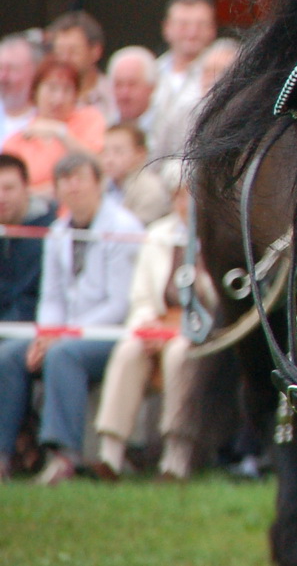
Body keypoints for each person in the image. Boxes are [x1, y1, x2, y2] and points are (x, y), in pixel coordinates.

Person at [0, 153, 142, 483]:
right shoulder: (57, 233)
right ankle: (4, 455)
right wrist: (46, 333)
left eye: (79, 178)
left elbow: (120, 304)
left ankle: (64, 456)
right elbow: (51, 297)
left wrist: (61, 336)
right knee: (9, 355)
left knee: (63, 356)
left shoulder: (122, 227)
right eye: (64, 180)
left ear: (99, 183)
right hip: (65, 333)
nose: (72, 187)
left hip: (110, 334)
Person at [93, 172, 210, 479]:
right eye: (181, 196)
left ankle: (176, 456)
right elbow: (141, 296)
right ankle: (111, 454)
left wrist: (201, 283)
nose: (187, 204)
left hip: (198, 328)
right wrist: (147, 328)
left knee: (179, 354)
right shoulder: (158, 234)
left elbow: (218, 301)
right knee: (129, 351)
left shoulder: (215, 237)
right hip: (159, 323)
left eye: (194, 196)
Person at [1, 59, 107, 194]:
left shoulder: (90, 119)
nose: (59, 98)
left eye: (67, 90)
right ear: (35, 92)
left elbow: (98, 168)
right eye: (52, 89)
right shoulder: (16, 141)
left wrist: (60, 132)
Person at [148, 0, 217, 158]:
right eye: (183, 25)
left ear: (212, 29)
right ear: (167, 28)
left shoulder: (222, 74)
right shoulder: (150, 72)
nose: (192, 33)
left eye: (200, 25)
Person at [150, 37, 239, 163]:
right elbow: (158, 158)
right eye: (207, 71)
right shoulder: (183, 113)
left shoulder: (242, 116)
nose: (211, 77)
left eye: (220, 71)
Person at [0, 153, 55, 322]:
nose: (1, 198)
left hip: (29, 327)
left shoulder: (49, 232)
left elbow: (30, 301)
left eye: (9, 188)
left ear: (26, 187)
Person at [99, 124, 171, 225]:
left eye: (118, 151)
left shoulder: (150, 189)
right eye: (105, 152)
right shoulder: (101, 186)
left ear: (140, 154)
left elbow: (136, 230)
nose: (109, 160)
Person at [46, 11, 112, 121]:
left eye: (73, 52)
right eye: (60, 52)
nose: (65, 59)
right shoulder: (45, 96)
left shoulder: (112, 95)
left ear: (96, 52)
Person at [0, 35, 42, 145]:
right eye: (0, 68)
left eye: (13, 69)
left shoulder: (46, 116)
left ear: (35, 72)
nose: (3, 77)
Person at [106, 47, 158, 132]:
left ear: (151, 87)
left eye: (132, 85)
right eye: (118, 85)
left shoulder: (167, 128)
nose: (124, 93)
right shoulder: (104, 125)